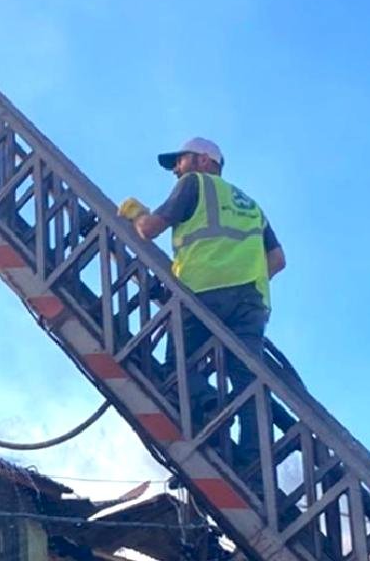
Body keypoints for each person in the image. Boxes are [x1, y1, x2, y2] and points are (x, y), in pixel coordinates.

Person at [118, 137, 285, 470]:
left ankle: (207, 404)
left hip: (202, 290)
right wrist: (243, 278)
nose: (177, 170)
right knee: (250, 382)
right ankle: (254, 462)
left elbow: (149, 230)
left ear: (206, 161)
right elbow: (278, 260)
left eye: (181, 161)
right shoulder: (252, 205)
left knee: (177, 365)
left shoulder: (194, 184)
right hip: (251, 300)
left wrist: (135, 212)